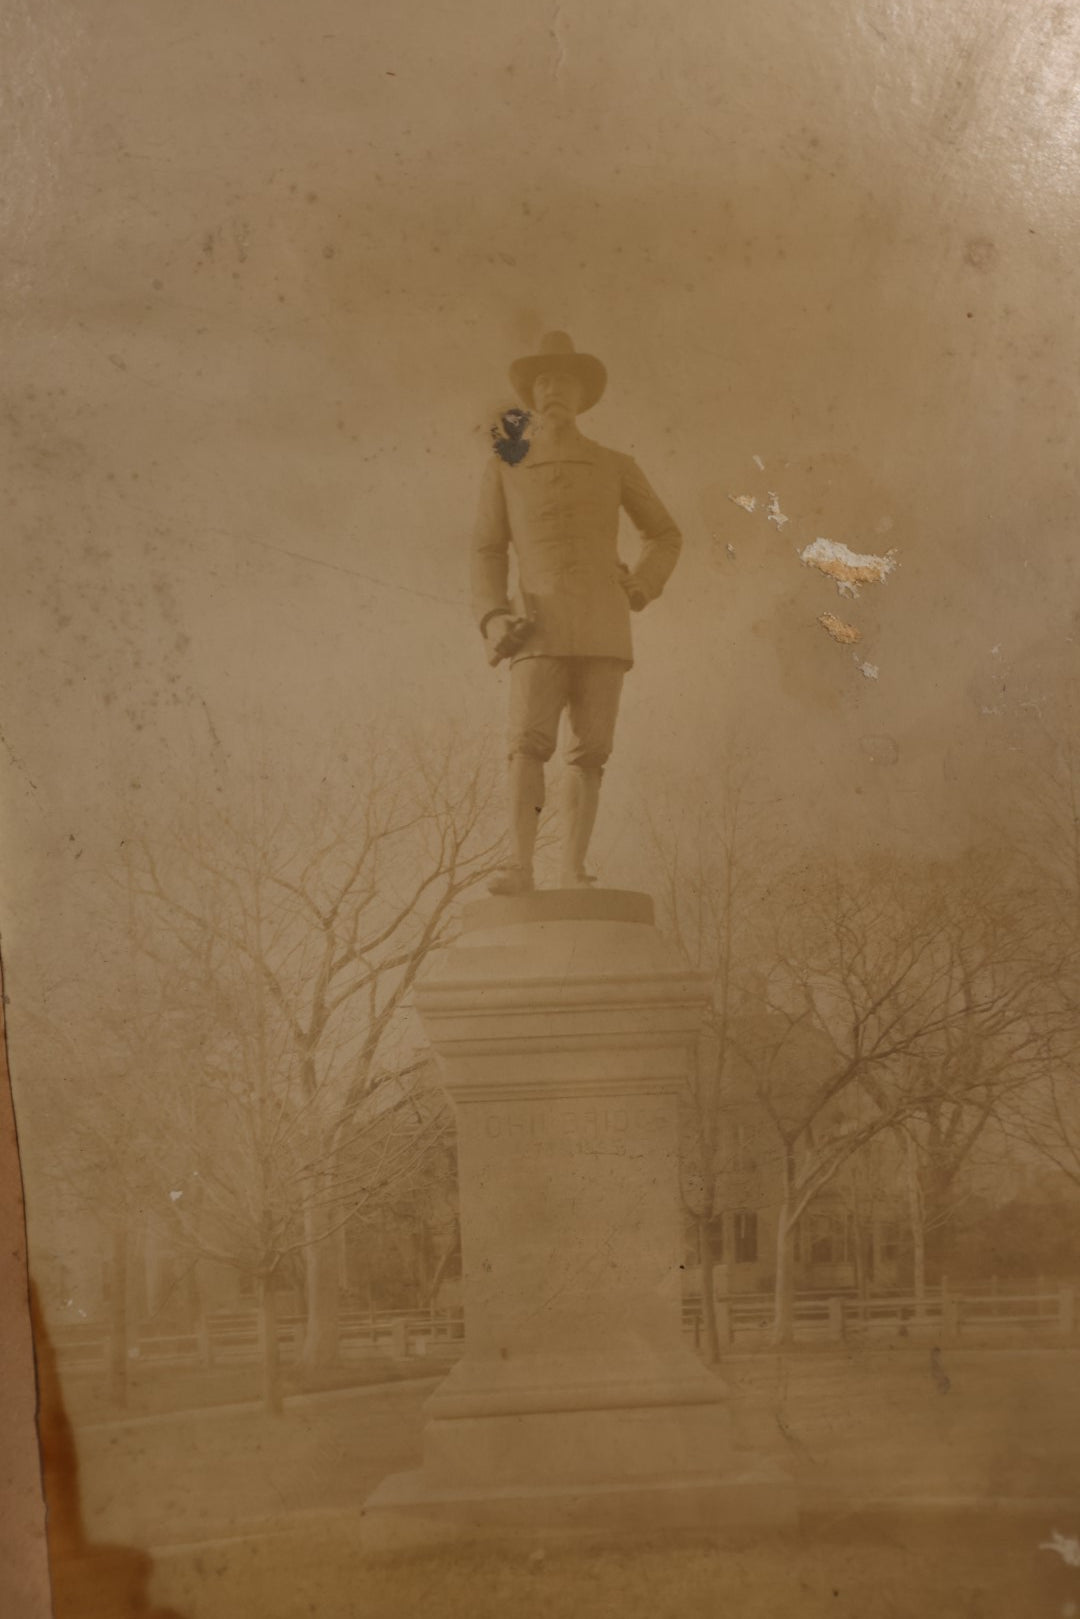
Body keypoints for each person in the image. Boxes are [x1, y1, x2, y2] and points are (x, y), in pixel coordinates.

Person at [471, 330, 683, 895]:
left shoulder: (615, 464)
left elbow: (664, 534)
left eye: (565, 379)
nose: (553, 388)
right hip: (533, 628)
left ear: (584, 392)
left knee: (590, 752)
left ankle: (572, 869)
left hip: (602, 628)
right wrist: (493, 617)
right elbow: (487, 549)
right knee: (526, 744)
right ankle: (520, 865)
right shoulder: (505, 469)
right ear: (531, 396)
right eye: (542, 380)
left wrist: (642, 585)